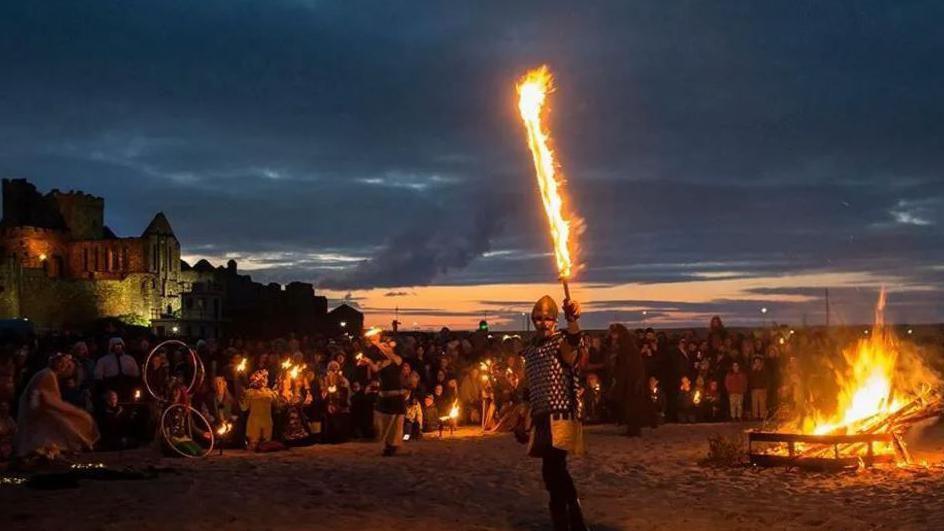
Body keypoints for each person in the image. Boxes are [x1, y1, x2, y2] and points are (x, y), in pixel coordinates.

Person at [516, 295, 587, 531]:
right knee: (552, 472)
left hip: (561, 414)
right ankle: (571, 519)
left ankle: (567, 520)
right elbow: (529, 387)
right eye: (538, 319)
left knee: (554, 469)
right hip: (541, 417)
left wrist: (573, 320)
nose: (542, 323)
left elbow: (574, 346)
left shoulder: (561, 342)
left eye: (547, 319)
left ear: (555, 320)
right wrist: (522, 416)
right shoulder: (531, 350)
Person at [14, 353, 100, 459]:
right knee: (63, 424)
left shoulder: (49, 374)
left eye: (67, 365)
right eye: (63, 364)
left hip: (40, 411)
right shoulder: (47, 375)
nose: (63, 367)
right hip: (39, 412)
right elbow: (46, 399)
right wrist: (72, 411)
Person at [360, 333, 406, 456]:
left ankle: (392, 446)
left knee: (396, 424)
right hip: (384, 396)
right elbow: (375, 369)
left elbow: (391, 356)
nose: (385, 348)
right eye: (384, 346)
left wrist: (378, 344)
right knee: (382, 422)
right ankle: (387, 444)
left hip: (396, 396)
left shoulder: (397, 358)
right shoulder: (382, 362)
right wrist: (368, 361)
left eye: (387, 346)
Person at [608, 323, 647, 437]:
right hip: (626, 379)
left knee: (632, 404)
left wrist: (637, 380)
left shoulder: (628, 348)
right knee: (628, 404)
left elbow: (635, 365)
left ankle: (634, 429)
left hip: (631, 380)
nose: (613, 336)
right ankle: (632, 428)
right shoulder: (624, 347)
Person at [240, 370, 279, 451]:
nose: (264, 380)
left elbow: (277, 404)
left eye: (265, 378)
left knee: (266, 446)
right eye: (262, 378)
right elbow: (244, 408)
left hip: (267, 422)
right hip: (254, 423)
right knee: (253, 446)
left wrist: (278, 390)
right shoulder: (249, 392)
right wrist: (241, 396)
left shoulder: (269, 392)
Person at [94, 337, 141, 402]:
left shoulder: (130, 359)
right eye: (116, 346)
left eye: (120, 345)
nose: (118, 348)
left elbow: (136, 373)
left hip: (127, 386)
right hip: (111, 386)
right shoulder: (103, 360)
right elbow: (98, 376)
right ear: (111, 347)